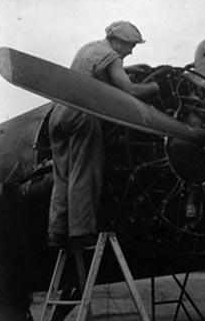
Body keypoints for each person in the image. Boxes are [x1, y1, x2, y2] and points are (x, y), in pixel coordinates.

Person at [47, 21, 161, 249]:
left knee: (63, 176)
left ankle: (57, 232)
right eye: (130, 46)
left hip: (58, 115)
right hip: (82, 116)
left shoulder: (89, 48)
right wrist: (155, 87)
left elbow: (94, 74)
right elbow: (130, 91)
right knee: (85, 172)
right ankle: (81, 232)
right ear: (118, 41)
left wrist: (127, 71)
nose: (130, 51)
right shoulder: (112, 57)